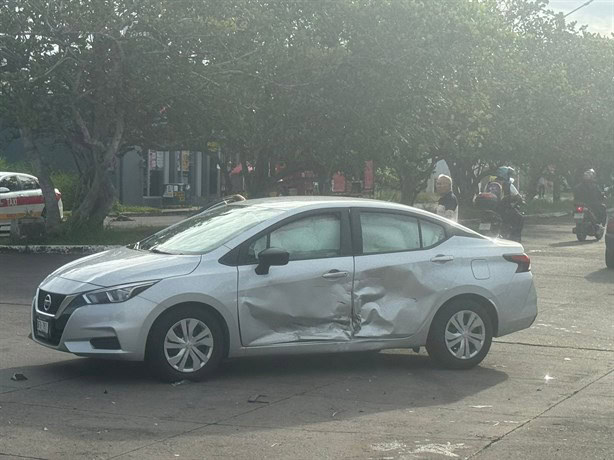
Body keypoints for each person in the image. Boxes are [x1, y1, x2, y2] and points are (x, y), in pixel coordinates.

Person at [492, 166, 524, 242]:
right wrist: (521, 200)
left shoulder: (490, 183)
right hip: (504, 210)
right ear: (505, 174)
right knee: (520, 218)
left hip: (492, 210)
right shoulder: (508, 185)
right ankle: (515, 238)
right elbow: (518, 197)